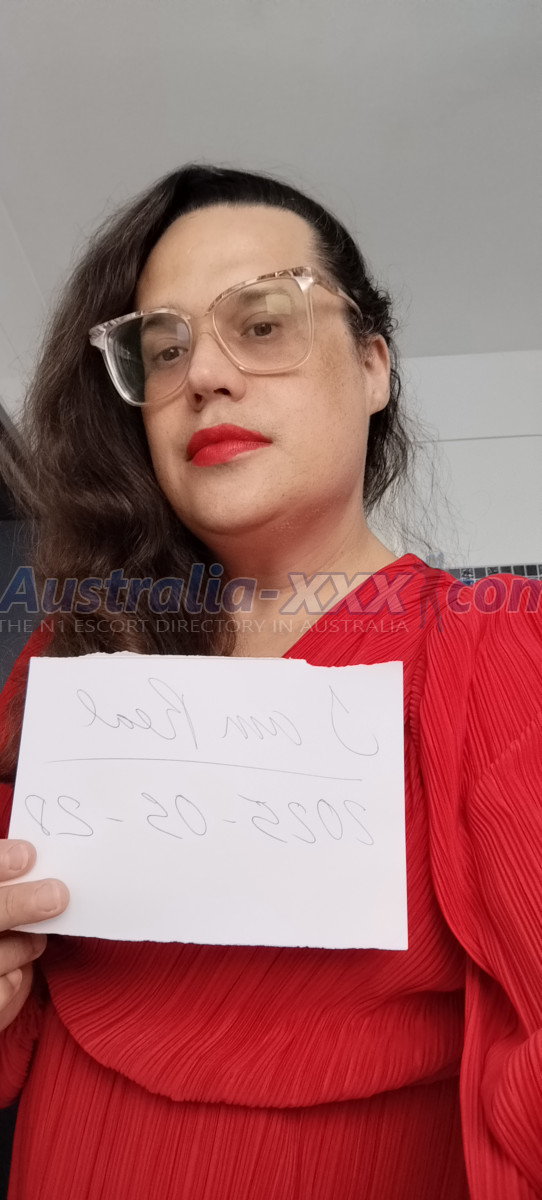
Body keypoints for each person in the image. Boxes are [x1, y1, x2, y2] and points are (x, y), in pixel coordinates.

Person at [0, 164, 540, 1200]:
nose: (202, 374)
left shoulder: (498, 653)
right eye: (163, 348)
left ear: (373, 365)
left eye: (259, 324)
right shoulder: (74, 659)